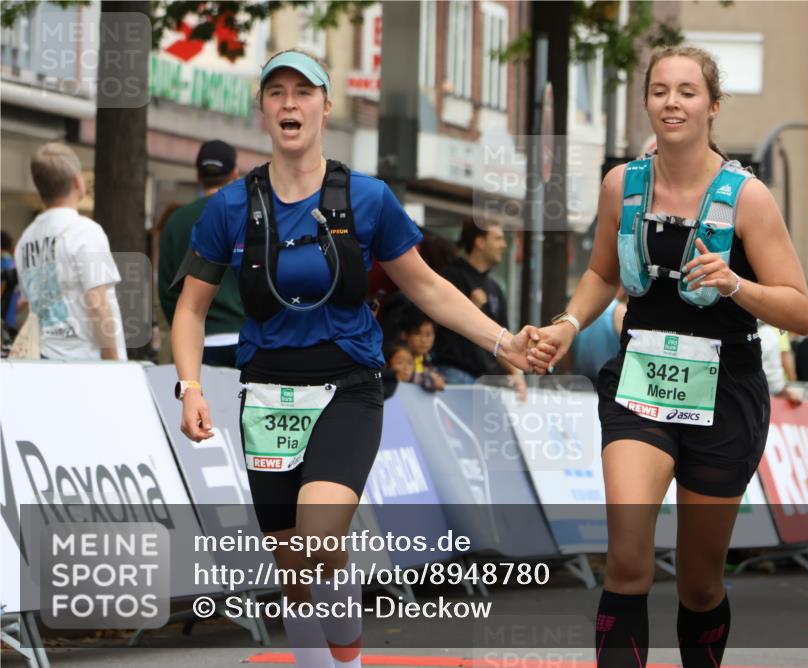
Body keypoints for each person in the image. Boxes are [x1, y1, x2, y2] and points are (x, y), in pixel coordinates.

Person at [170, 50, 539, 668]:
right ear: (262, 109)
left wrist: (502, 342)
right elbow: (189, 309)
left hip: (348, 386)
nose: (290, 104)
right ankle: (334, 663)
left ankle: (348, 658)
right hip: (267, 394)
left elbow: (427, 287)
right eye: (278, 93)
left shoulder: (367, 199)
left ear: (325, 106)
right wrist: (189, 386)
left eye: (304, 92)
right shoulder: (230, 207)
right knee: (293, 567)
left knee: (317, 539)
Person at [526, 45, 808, 668]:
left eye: (687, 91)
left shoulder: (748, 197)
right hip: (640, 383)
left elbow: (800, 312)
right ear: (647, 102)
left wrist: (736, 284)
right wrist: (570, 323)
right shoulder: (621, 185)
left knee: (699, 580)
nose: (672, 102)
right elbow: (603, 271)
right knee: (628, 556)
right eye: (659, 91)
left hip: (726, 390)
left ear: (712, 105)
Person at [15, 142, 126, 361]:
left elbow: (30, 304)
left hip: (45, 359)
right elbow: (97, 304)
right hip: (88, 364)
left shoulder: (25, 241)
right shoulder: (85, 232)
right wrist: (113, 362)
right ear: (78, 182)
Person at [159, 140, 245, 367]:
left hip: (196, 343)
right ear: (235, 173)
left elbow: (167, 288)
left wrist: (183, 330)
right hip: (246, 340)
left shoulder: (176, 221)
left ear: (198, 174)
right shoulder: (246, 216)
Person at [432, 219, 523, 387]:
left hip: (487, 380)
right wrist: (470, 307)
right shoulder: (451, 276)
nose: (503, 245)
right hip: (455, 373)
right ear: (480, 242)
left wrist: (515, 373)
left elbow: (503, 339)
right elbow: (433, 326)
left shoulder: (495, 288)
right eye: (497, 239)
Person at [570, 286, 628, 383]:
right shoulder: (620, 312)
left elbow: (568, 361)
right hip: (612, 387)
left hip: (581, 385)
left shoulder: (577, 313)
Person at [398, 304, 445, 391]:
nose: (424, 340)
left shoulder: (425, 358)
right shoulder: (399, 355)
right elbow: (403, 375)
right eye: (417, 334)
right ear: (404, 335)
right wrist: (431, 380)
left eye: (428, 335)